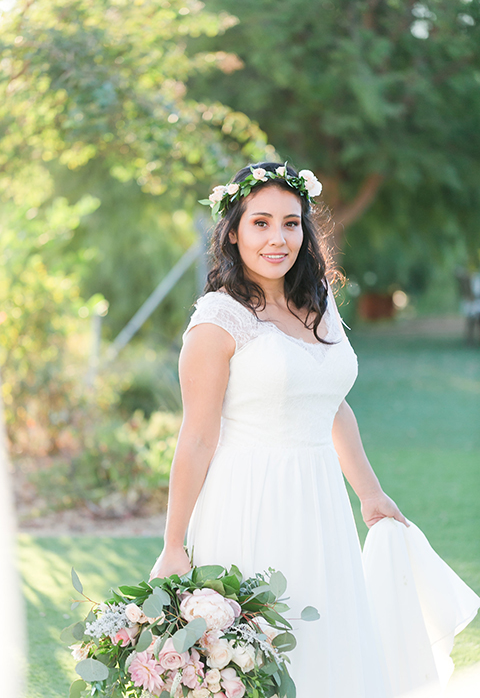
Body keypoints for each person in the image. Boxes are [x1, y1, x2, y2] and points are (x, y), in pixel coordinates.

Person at [150, 163, 479, 698]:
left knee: (326, 637)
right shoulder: (218, 319)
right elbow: (197, 437)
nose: (278, 238)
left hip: (320, 496)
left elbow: (332, 405)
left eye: (291, 223)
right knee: (257, 654)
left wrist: (370, 495)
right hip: (249, 498)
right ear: (233, 231)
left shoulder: (317, 302)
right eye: (260, 223)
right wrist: (173, 543)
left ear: (306, 230)